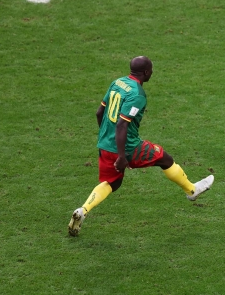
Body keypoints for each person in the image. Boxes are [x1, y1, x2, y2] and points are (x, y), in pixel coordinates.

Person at [68, 56, 214, 237]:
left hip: (105, 145)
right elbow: (122, 125)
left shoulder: (118, 82)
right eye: (151, 70)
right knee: (164, 158)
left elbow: (100, 112)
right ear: (146, 72)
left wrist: (107, 139)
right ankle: (192, 190)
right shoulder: (137, 94)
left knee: (112, 182)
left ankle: (83, 210)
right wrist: (122, 156)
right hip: (127, 147)